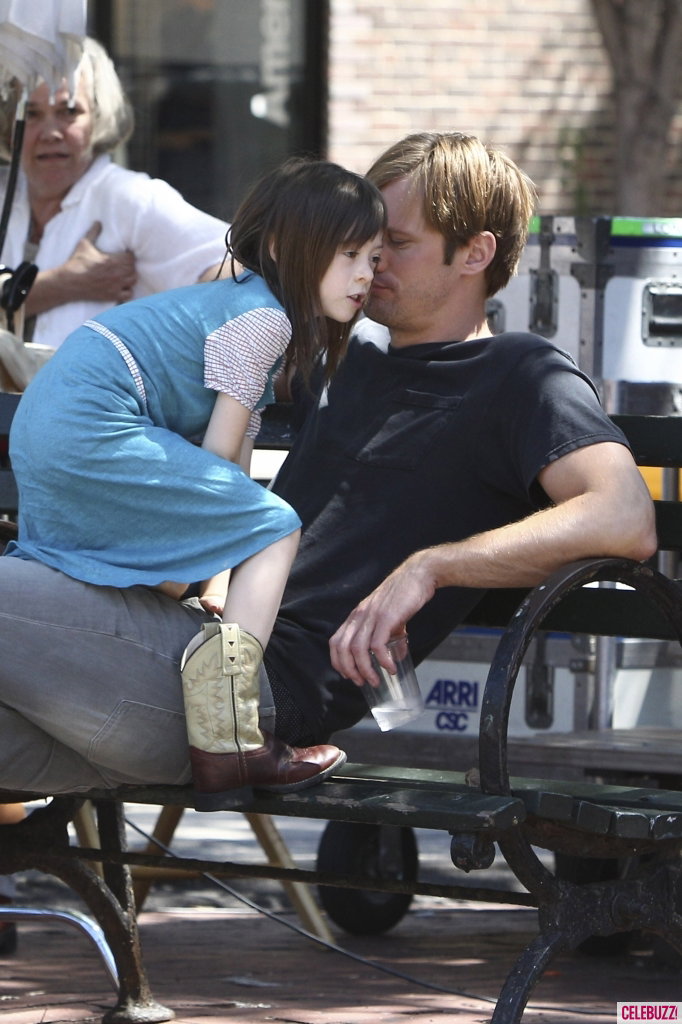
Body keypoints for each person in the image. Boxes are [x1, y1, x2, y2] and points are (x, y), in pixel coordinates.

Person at [0, 130, 655, 802]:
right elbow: (218, 328)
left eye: (394, 243)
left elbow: (626, 517)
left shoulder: (521, 377)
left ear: (475, 253)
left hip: (250, 693)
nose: (372, 263)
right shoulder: (344, 355)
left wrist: (432, 567)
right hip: (166, 645)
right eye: (360, 245)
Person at [4, 155, 385, 811]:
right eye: (347, 254)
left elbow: (230, 463)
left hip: (51, 424)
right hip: (91, 422)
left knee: (253, 520)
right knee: (278, 526)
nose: (364, 275)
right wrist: (225, 558)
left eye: (374, 258)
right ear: (280, 247)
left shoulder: (240, 307)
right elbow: (219, 460)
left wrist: (213, 587)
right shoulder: (265, 318)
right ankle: (229, 732)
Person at [0, 37, 230, 350]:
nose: (50, 133)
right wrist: (61, 284)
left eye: (69, 111)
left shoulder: (130, 199)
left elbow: (238, 274)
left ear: (98, 118)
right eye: (31, 113)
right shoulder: (5, 194)